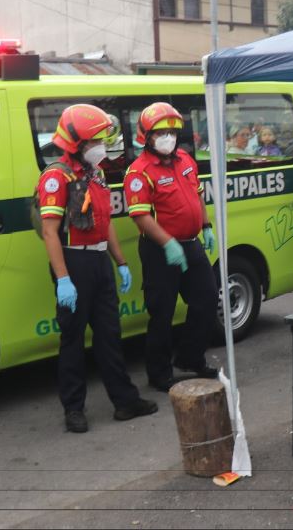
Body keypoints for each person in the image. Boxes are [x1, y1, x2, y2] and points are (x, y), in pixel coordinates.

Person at [37, 104, 157, 432]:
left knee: (110, 335)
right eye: (95, 141)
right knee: (73, 339)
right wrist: (63, 279)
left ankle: (125, 401)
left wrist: (120, 262)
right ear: (77, 143)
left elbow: (107, 223)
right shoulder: (55, 177)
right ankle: (73, 409)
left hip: (99, 260)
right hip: (73, 262)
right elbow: (49, 231)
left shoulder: (97, 174)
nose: (101, 146)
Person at [125, 102, 220, 391]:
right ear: (146, 137)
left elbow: (198, 195)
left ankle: (190, 358)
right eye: (160, 132)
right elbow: (140, 215)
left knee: (206, 298)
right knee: (162, 313)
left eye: (171, 131)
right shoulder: (138, 171)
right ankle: (159, 372)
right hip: (160, 251)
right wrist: (167, 242)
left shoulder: (186, 160)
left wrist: (205, 226)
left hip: (191, 245)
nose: (168, 137)